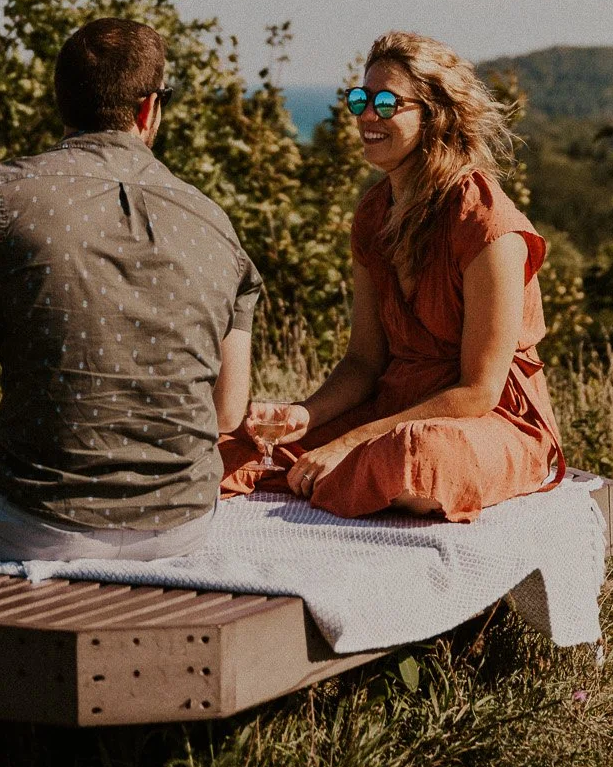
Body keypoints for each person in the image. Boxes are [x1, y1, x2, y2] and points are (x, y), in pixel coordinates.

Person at [0, 18, 261, 585]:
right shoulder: (212, 221)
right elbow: (228, 412)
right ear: (148, 109)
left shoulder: (2, 194)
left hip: (34, 517)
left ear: (63, 100)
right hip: (181, 520)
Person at [221, 30, 563, 520]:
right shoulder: (373, 214)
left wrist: (350, 441)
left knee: (417, 460)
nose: (366, 115)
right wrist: (307, 414)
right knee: (235, 445)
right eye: (359, 99)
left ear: (435, 115)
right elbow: (363, 361)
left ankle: (361, 472)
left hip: (482, 420)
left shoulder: (485, 222)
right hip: (394, 406)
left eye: (386, 102)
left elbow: (478, 391)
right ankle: (354, 472)